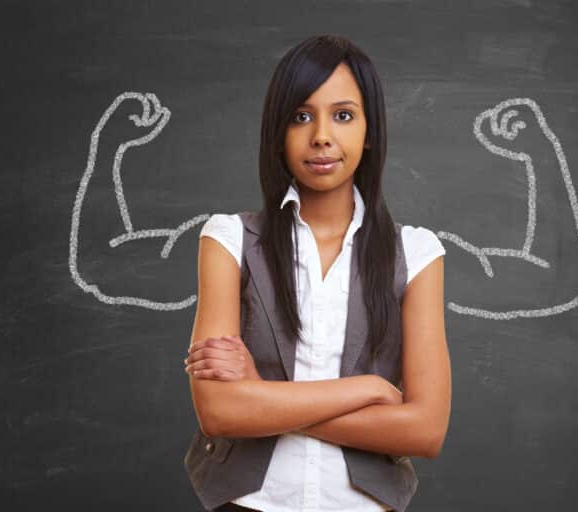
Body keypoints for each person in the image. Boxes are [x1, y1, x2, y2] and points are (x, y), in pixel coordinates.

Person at [183, 34, 451, 512]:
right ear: (278, 131)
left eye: (343, 115)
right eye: (301, 116)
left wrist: (262, 399)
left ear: (369, 131)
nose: (322, 135)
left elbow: (425, 430)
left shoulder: (417, 252)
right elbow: (219, 411)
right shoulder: (228, 240)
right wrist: (368, 391)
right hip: (248, 504)